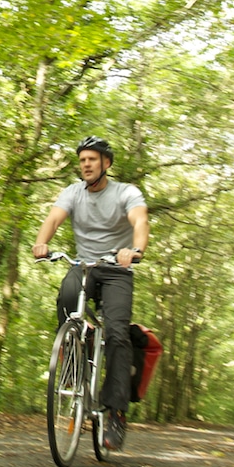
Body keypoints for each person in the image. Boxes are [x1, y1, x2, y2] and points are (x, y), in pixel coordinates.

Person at [33, 136, 149, 450]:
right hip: (85, 266)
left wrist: (135, 249)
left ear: (106, 164)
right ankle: (72, 362)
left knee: (117, 335)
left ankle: (116, 412)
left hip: (117, 270)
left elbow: (139, 220)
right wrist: (41, 243)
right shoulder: (72, 193)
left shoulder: (126, 192)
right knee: (67, 298)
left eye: (92, 160)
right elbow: (54, 219)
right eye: (82, 160)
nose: (86, 164)